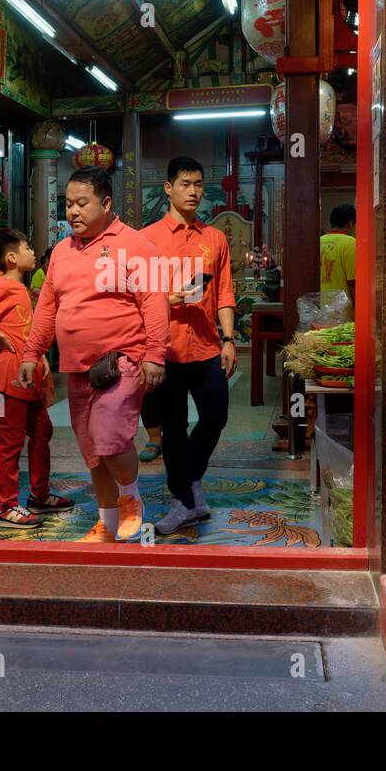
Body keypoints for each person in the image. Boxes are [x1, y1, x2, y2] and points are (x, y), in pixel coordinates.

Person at [19, 167, 169, 543]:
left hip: (122, 359)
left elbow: (154, 303)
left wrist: (154, 355)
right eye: (68, 203)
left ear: (105, 203)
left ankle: (132, 498)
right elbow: (47, 308)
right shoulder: (61, 253)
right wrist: (32, 352)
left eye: (81, 203)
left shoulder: (136, 245)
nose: (73, 211)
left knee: (110, 438)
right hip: (77, 366)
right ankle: (108, 522)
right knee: (92, 451)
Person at [140, 157, 237, 534]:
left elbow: (225, 292)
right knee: (174, 428)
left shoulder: (215, 238)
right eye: (185, 183)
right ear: (168, 188)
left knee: (216, 416)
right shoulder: (147, 238)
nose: (193, 191)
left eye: (198, 183)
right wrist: (169, 298)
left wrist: (228, 338)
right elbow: (139, 298)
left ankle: (190, 480)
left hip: (208, 346)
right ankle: (183, 499)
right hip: (165, 349)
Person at [0, 229, 75, 529]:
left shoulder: (20, 288)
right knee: (10, 443)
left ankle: (39, 495)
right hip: (7, 376)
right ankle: (6, 506)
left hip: (28, 373)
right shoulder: (6, 286)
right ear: (12, 257)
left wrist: (38, 358)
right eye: (27, 246)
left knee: (42, 432)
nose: (32, 251)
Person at [320, 203, 357, 306]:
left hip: (321, 311)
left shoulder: (318, 242)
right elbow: (353, 283)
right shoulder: (351, 243)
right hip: (344, 314)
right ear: (350, 223)